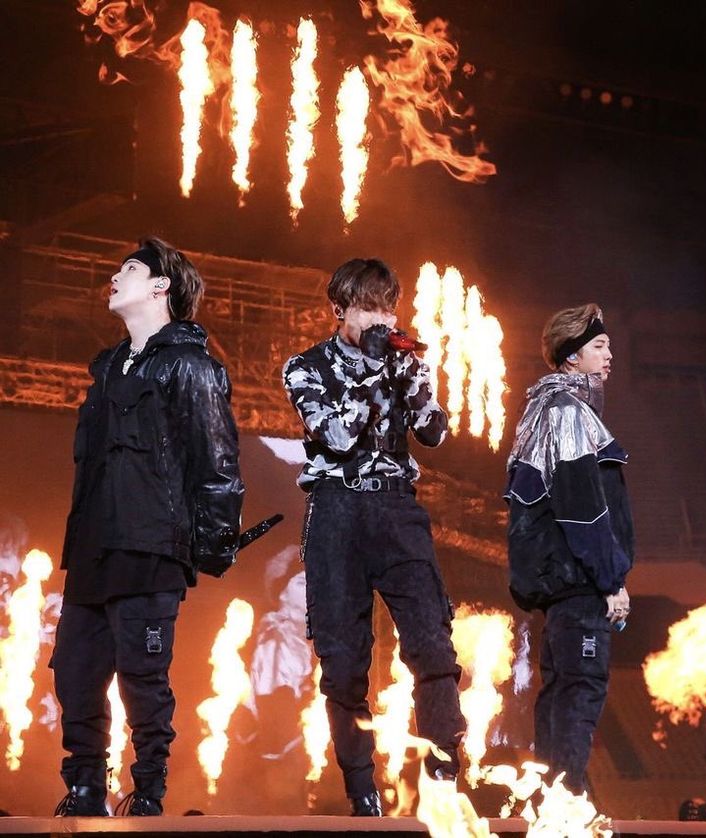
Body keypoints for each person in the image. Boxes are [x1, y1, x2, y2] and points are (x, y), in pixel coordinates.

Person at [51, 236, 244, 816]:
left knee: (142, 674)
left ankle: (149, 790)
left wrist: (211, 544)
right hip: (92, 547)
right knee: (76, 672)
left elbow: (217, 459)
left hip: (150, 544)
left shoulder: (191, 364)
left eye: (128, 269)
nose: (114, 276)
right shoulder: (108, 368)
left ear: (161, 286)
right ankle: (84, 786)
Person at [283, 258, 465, 816]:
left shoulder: (401, 360)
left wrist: (415, 379)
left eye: (388, 306)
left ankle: (443, 769)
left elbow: (434, 434)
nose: (381, 319)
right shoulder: (305, 367)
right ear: (340, 310)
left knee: (431, 639)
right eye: (368, 308)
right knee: (343, 661)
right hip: (336, 513)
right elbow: (336, 435)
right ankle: (362, 791)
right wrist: (372, 371)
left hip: (395, 509)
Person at [504, 303, 633, 795]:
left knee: (559, 694)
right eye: (599, 345)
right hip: (579, 587)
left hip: (561, 590)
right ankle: (570, 803)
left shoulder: (542, 409)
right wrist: (611, 581)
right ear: (572, 355)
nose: (610, 354)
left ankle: (554, 802)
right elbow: (584, 510)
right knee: (579, 692)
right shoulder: (567, 412)